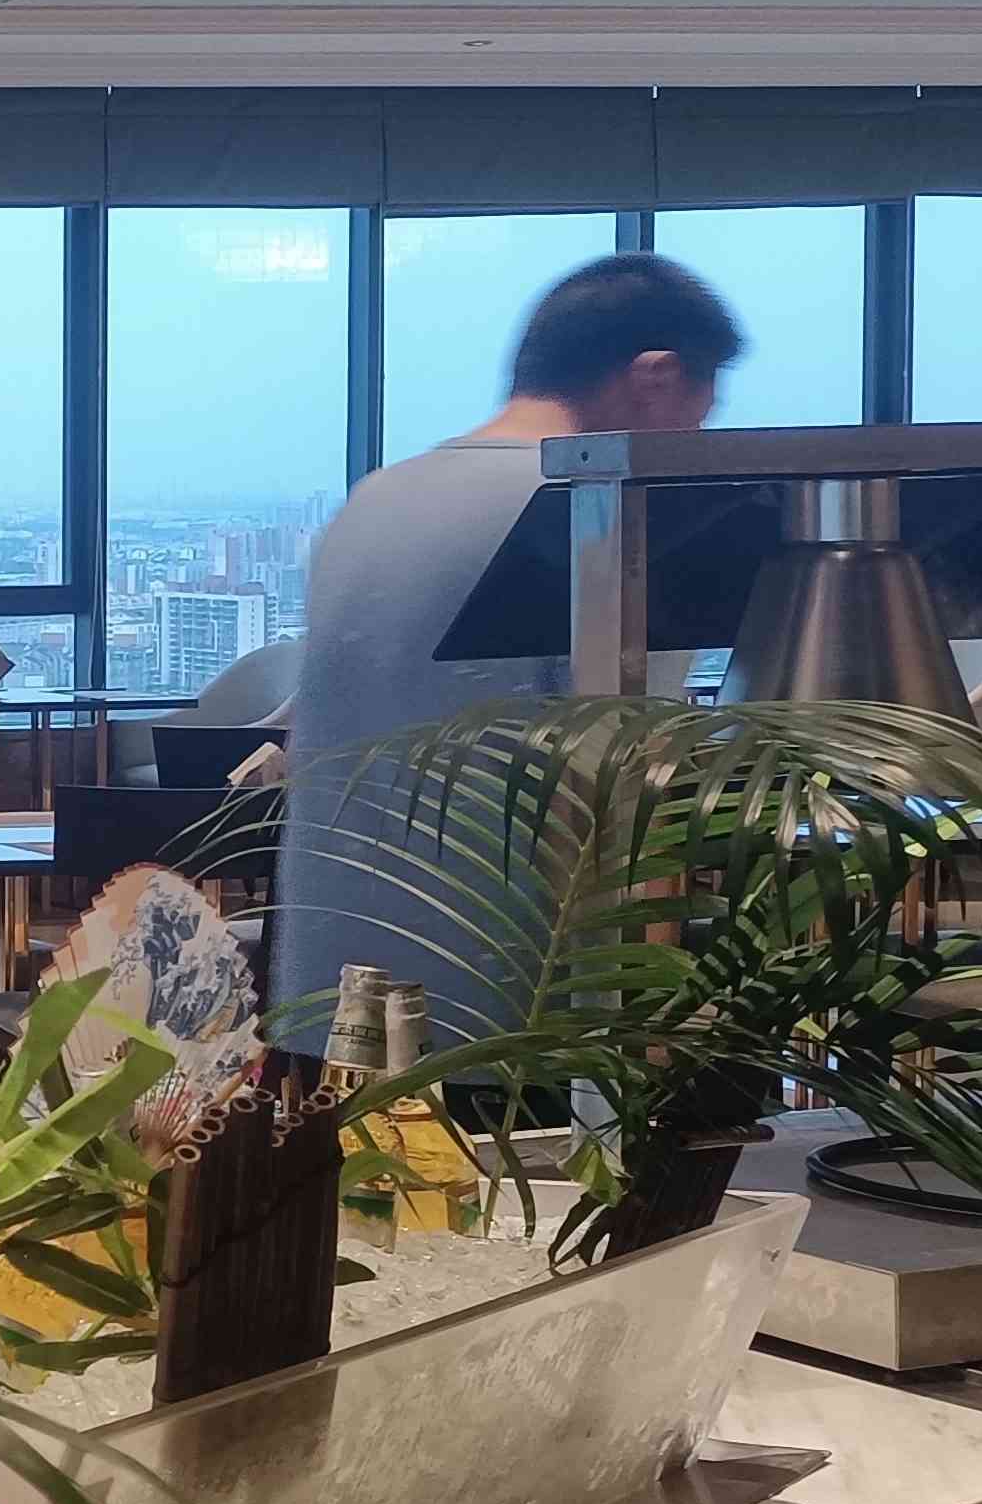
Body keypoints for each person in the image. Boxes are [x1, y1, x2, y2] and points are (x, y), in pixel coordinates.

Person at [273, 250, 743, 1024]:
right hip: (511, 1009)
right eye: (701, 413)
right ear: (655, 377)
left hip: (326, 991)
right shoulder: (605, 513)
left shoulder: (372, 501)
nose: (695, 439)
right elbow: (635, 798)